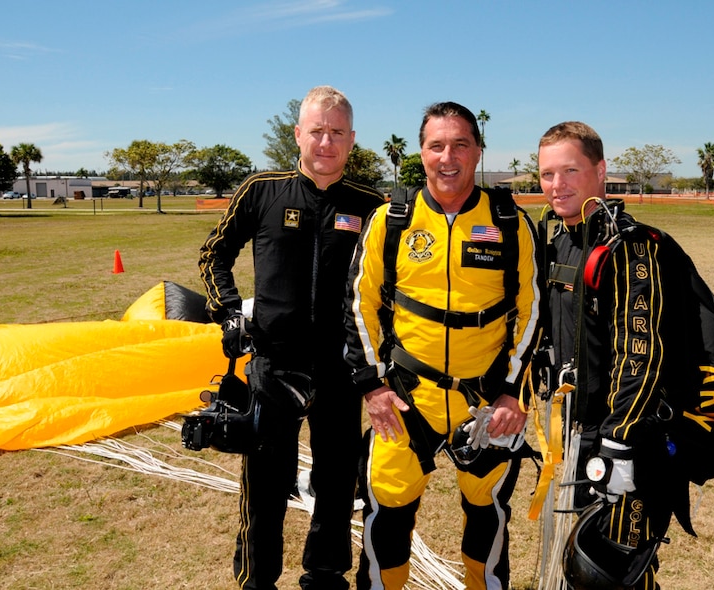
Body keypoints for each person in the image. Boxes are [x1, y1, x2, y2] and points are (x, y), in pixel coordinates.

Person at [343, 101, 541, 590]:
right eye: (437, 145)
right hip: (407, 400)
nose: (447, 156)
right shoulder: (392, 219)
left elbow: (533, 312)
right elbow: (358, 305)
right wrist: (372, 386)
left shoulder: (511, 222)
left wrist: (514, 391)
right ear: (421, 152)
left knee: (488, 517)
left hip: (487, 404)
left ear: (477, 151)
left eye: (460, 145)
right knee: (386, 520)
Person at [198, 85, 385, 590]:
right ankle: (257, 579)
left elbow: (392, 284)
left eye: (337, 133)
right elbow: (214, 254)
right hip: (274, 365)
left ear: (352, 140)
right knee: (265, 481)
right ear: (298, 134)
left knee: (337, 479)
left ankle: (324, 576)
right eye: (317, 131)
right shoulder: (261, 190)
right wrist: (229, 312)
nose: (326, 142)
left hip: (342, 367)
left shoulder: (373, 206)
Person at [535, 121, 685, 589]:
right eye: (546, 174)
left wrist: (619, 441)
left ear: (600, 171)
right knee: (572, 557)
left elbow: (640, 351)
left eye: (570, 171)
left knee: (612, 568)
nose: (556, 185)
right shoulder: (555, 237)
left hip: (623, 437)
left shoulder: (630, 246)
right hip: (571, 427)